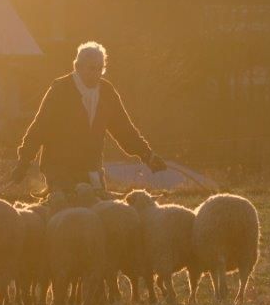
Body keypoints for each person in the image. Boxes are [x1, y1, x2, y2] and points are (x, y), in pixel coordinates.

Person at [9, 41, 166, 193]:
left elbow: (124, 129)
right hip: (60, 170)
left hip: (92, 170)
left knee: (100, 215)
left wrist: (147, 155)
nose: (96, 73)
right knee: (67, 214)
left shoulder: (107, 92)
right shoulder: (61, 90)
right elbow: (40, 127)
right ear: (78, 67)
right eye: (91, 68)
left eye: (100, 69)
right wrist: (24, 162)